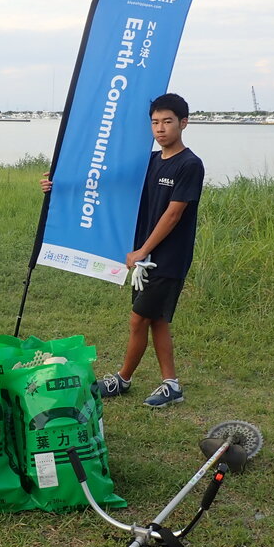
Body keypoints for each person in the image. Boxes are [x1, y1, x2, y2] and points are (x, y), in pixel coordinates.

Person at [40, 93, 203, 407]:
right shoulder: (151, 161)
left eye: (168, 122)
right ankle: (171, 384)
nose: (160, 128)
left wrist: (142, 250)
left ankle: (123, 379)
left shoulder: (190, 165)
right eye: (155, 122)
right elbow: (106, 179)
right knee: (156, 320)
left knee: (138, 320)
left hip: (168, 259)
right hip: (146, 258)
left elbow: (173, 214)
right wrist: (60, 183)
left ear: (183, 123)